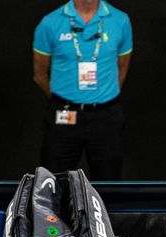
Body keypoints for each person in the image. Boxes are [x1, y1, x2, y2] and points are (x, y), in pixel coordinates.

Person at [33, 0, 132, 180]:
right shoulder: (50, 23)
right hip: (63, 115)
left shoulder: (121, 20)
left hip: (106, 116)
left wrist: (101, 97)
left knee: (109, 182)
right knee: (53, 183)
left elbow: (122, 68)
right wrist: (65, 100)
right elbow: (40, 74)